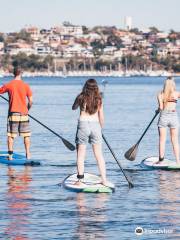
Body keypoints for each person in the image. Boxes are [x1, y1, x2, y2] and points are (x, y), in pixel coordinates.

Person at [72, 78, 112, 187]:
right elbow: (101, 117)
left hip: (83, 125)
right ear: (96, 88)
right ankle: (104, 179)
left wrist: (79, 98)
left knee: (80, 155)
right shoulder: (99, 99)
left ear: (85, 87)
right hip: (96, 125)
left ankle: (80, 181)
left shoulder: (81, 97)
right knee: (99, 155)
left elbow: (73, 108)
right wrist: (100, 128)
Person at [0, 67, 33, 160]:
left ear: (13, 74)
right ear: (21, 73)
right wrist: (27, 110)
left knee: (11, 135)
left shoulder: (9, 85)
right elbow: (31, 101)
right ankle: (28, 155)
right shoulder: (26, 86)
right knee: (26, 135)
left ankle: (10, 156)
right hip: (24, 114)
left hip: (13, 114)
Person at [156, 77, 180, 165]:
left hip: (163, 117)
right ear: (173, 85)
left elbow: (161, 108)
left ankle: (161, 160)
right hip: (174, 117)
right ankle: (178, 161)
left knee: (162, 140)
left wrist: (157, 110)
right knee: (175, 140)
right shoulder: (176, 94)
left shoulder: (160, 94)